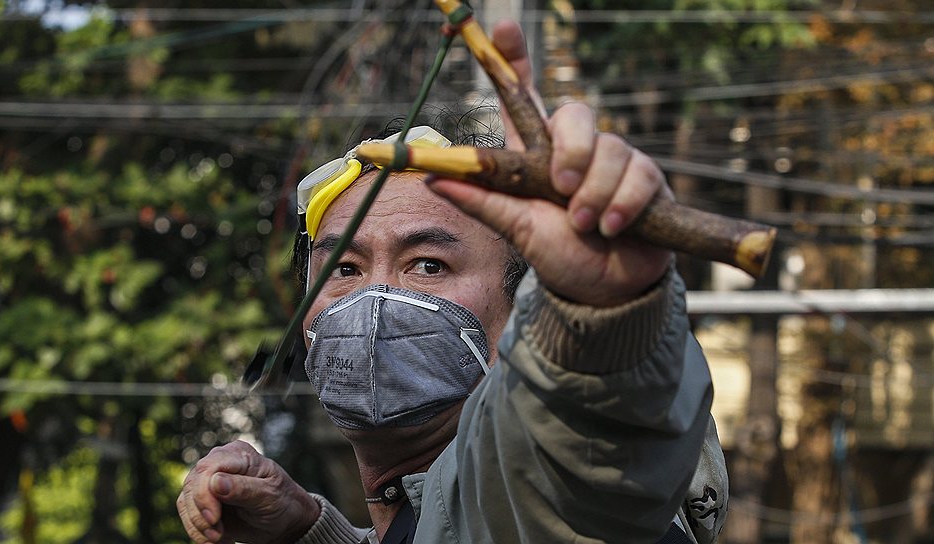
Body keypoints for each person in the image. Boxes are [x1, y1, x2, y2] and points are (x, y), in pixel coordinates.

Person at [177, 20, 728, 544]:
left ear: (522, 312)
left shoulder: (543, 475)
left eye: (428, 265)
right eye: (345, 267)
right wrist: (307, 531)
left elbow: (583, 438)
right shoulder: (441, 511)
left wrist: (603, 305)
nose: (376, 299)